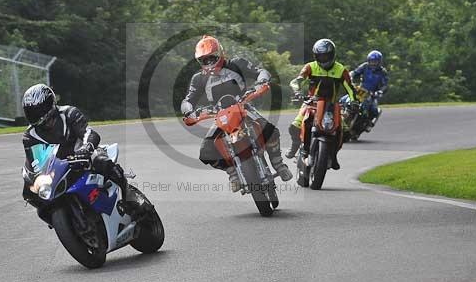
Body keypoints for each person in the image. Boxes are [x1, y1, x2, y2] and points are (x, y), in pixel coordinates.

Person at [20, 84, 150, 220]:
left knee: (102, 162)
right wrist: (31, 179)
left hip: (84, 154)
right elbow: (35, 162)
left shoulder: (69, 113)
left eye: (40, 110)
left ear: (50, 104)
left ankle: (129, 197)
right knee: (41, 206)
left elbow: (89, 133)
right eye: (32, 113)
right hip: (58, 170)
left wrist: (86, 148)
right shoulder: (29, 136)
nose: (37, 116)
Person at [180, 35, 293, 191]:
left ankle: (279, 164)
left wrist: (261, 80)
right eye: (204, 60)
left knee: (271, 131)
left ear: (220, 53)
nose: (209, 63)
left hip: (244, 106)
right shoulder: (198, 79)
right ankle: (232, 173)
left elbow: (260, 71)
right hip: (220, 115)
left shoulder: (237, 64)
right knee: (205, 151)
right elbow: (188, 99)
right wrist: (188, 110)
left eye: (211, 58)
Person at [286, 38, 357, 170]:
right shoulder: (310, 67)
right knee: (294, 126)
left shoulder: (341, 70)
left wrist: (354, 101)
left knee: (345, 131)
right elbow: (296, 81)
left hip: (333, 105)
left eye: (326, 55)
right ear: (315, 56)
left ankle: (333, 155)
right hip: (311, 103)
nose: (324, 59)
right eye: (320, 56)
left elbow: (350, 88)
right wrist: (297, 91)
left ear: (332, 55)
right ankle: (297, 146)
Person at [345, 50, 389, 129]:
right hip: (361, 90)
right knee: (346, 99)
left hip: (372, 94)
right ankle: (344, 111)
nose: (373, 63)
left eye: (375, 62)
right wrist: (350, 76)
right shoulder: (364, 66)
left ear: (379, 62)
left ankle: (367, 123)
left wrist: (380, 91)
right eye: (371, 61)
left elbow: (385, 85)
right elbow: (355, 72)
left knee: (374, 110)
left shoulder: (383, 72)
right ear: (368, 61)